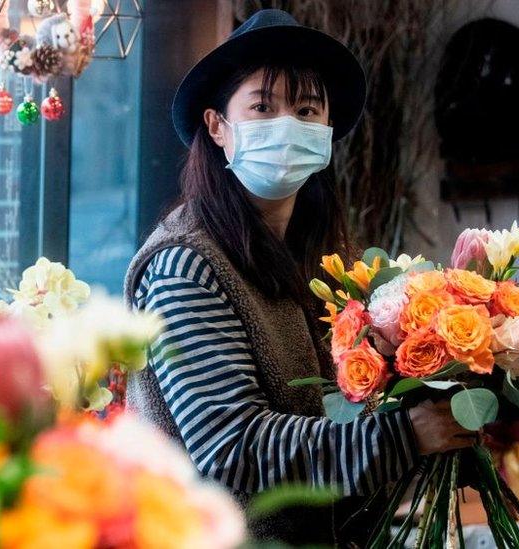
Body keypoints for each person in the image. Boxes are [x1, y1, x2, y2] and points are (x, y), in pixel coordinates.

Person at [124, 9, 473, 545]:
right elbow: (232, 449)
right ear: (218, 126)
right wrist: (406, 435)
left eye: (307, 109)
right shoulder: (185, 264)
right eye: (263, 106)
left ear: (327, 133)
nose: (288, 124)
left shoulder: (327, 258)